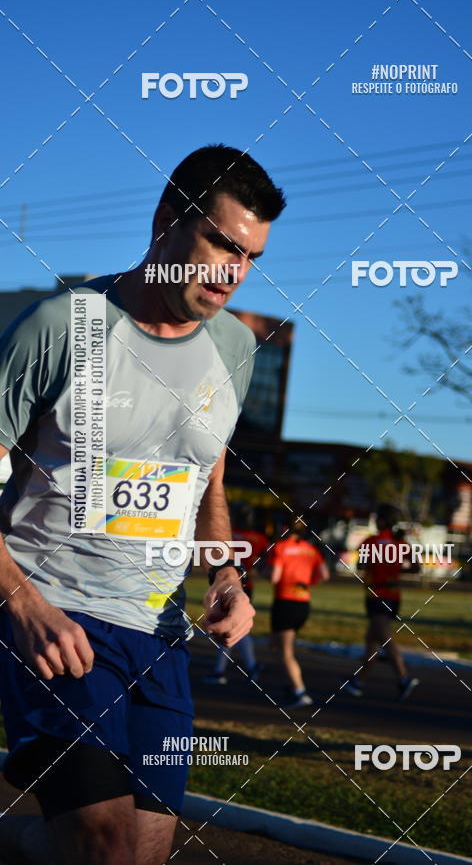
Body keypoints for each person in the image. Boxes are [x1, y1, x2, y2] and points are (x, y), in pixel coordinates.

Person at [0, 145, 285, 865]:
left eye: (249, 257)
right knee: (106, 844)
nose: (232, 272)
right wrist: (24, 607)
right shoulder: (60, 326)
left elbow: (206, 480)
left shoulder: (236, 346)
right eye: (221, 243)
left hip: (158, 635)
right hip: (55, 616)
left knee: (146, 852)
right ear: (166, 222)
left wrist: (226, 574)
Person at [345, 506, 420, 701]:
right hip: (394, 596)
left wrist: (378, 567)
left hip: (376, 595)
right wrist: (395, 571)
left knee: (385, 640)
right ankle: (358, 682)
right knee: (372, 640)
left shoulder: (371, 541)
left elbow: (360, 565)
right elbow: (416, 567)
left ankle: (403, 679)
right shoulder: (401, 542)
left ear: (382, 521)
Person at [203, 505, 268, 684]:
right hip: (246, 584)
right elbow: (263, 563)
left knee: (230, 625)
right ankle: (238, 667)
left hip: (227, 581)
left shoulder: (229, 534)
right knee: (235, 623)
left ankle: (224, 670)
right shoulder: (258, 538)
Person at [269, 520, 329, 709]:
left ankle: (299, 691)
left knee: (286, 652)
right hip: (303, 603)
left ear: (285, 528)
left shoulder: (281, 547)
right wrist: (308, 582)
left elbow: (274, 577)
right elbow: (324, 575)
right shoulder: (310, 549)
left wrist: (263, 573)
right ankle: (291, 684)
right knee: (276, 646)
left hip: (285, 602)